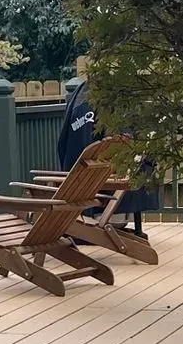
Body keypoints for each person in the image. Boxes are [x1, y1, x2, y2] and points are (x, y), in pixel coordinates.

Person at [57, 56, 157, 228]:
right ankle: (109, 219)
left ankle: (101, 218)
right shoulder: (105, 101)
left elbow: (62, 146)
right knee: (137, 167)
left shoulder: (79, 100)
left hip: (77, 179)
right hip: (102, 179)